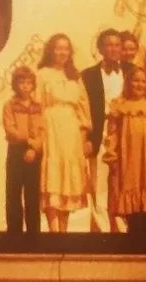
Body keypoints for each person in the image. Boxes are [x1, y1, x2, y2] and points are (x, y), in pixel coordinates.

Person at [103, 67, 146, 237]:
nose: (139, 84)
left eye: (143, 81)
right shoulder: (120, 105)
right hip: (129, 158)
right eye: (135, 80)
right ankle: (133, 240)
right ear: (128, 83)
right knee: (132, 200)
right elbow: (111, 134)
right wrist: (112, 155)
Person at [37, 33, 92, 232]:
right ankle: (53, 231)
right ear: (51, 51)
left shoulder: (75, 76)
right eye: (58, 48)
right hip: (51, 129)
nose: (62, 52)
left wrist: (84, 136)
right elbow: (37, 105)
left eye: (66, 48)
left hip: (72, 132)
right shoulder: (42, 74)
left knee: (68, 179)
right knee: (53, 178)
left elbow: (83, 109)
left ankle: (64, 231)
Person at [82, 29, 130, 233]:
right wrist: (87, 137)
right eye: (108, 44)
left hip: (126, 133)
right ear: (100, 48)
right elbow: (83, 108)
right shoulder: (88, 75)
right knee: (99, 182)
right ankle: (102, 229)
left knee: (125, 180)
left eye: (117, 44)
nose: (113, 48)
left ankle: (123, 227)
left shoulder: (132, 71)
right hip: (100, 134)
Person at [3, 66, 44, 234]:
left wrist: (35, 147)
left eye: (29, 83)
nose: (25, 86)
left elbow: (43, 129)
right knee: (13, 192)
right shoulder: (10, 105)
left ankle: (34, 233)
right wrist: (27, 140)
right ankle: (14, 233)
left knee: (32, 194)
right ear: (15, 84)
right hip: (16, 150)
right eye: (21, 82)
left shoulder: (39, 106)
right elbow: (10, 129)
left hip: (34, 153)